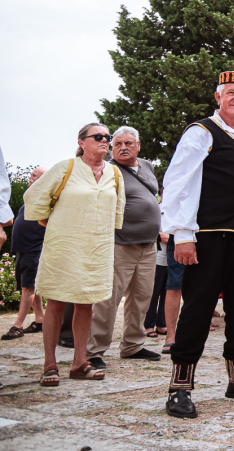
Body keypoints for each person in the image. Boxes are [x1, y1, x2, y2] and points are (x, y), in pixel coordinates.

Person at [160, 72, 234, 418]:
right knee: (197, 309)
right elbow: (178, 182)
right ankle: (179, 387)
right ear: (218, 97)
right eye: (231, 93)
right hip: (209, 236)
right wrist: (183, 233)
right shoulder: (201, 132)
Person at [24, 123, 126, 385]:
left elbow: (118, 212)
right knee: (56, 302)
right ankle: (50, 364)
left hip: (97, 247)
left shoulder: (114, 173)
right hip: (64, 245)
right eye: (98, 136)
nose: (104, 140)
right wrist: (48, 220)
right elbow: (34, 196)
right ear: (81, 142)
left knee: (86, 303)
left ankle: (80, 362)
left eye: (107, 137)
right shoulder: (65, 168)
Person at [87, 127, 163, 369]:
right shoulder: (107, 170)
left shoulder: (147, 166)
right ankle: (94, 350)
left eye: (128, 143)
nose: (122, 148)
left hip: (149, 244)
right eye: (117, 143)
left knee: (141, 297)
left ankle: (132, 345)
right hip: (120, 243)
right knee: (109, 299)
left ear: (138, 145)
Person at [3, 166, 47, 340]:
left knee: (27, 288)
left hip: (34, 248)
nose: (30, 178)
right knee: (31, 286)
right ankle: (40, 320)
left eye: (34, 176)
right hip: (22, 248)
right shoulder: (30, 198)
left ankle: (18, 325)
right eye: (31, 175)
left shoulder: (47, 199)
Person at [144, 233, 169, 340]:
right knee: (153, 293)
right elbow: (160, 235)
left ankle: (161, 324)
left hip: (171, 258)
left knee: (167, 293)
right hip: (156, 257)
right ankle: (148, 325)